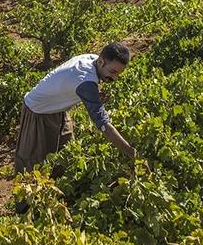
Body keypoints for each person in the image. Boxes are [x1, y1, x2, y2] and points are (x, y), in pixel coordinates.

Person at [13, 42, 136, 174]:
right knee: (33, 166)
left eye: (118, 73)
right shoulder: (86, 81)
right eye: (112, 72)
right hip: (37, 112)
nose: (114, 78)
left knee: (66, 155)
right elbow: (103, 124)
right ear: (101, 62)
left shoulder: (92, 59)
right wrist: (132, 154)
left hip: (58, 108)